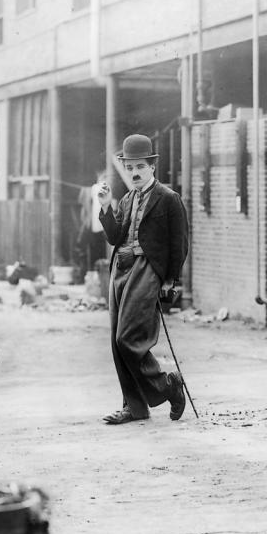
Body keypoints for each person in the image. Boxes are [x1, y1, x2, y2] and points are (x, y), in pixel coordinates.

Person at [98, 133, 188, 425]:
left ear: (152, 167)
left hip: (146, 268)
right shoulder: (126, 199)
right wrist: (106, 206)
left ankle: (168, 385)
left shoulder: (168, 199)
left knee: (128, 338)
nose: (134, 172)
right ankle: (134, 407)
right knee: (116, 340)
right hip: (120, 270)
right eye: (129, 167)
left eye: (140, 166)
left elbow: (180, 243)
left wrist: (170, 279)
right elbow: (115, 237)